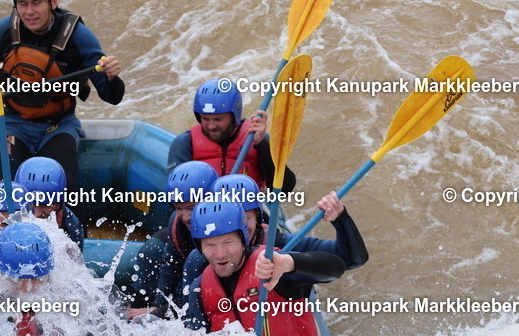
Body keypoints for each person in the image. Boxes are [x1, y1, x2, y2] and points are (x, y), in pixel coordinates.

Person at [0, 0, 125, 205]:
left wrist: (112, 77)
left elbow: (112, 97)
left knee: (61, 190)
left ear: (53, 2)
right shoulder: (5, 30)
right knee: (6, 189)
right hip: (13, 123)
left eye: (37, 2)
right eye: (23, 4)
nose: (30, 12)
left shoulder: (79, 37)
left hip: (58, 126)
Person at [184, 202, 346, 336]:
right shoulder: (200, 288)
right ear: (200, 247)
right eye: (210, 245)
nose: (219, 254)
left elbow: (336, 268)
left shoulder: (272, 266)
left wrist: (290, 263)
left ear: (243, 239)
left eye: (228, 243)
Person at [176, 175, 368, 308]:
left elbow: (350, 260)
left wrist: (341, 219)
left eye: (245, 218)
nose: (236, 224)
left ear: (258, 217)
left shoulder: (279, 244)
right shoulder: (198, 260)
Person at [123, 161, 217, 319]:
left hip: (205, 282)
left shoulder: (224, 227)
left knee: (193, 266)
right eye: (179, 208)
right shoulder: (177, 223)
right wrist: (157, 305)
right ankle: (137, 307)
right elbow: (170, 266)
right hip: (187, 268)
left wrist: (158, 313)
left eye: (191, 208)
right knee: (150, 251)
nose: (185, 217)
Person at [167, 78, 295, 191]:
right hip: (203, 208)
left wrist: (262, 146)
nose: (211, 126)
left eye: (218, 119)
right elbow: (175, 193)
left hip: (248, 207)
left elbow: (285, 189)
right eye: (205, 119)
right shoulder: (184, 143)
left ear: (234, 116)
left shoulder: (257, 139)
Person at [14, 156, 85, 250]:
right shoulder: (3, 216)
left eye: (45, 205)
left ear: (58, 205)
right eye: (31, 204)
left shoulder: (72, 228)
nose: (37, 213)